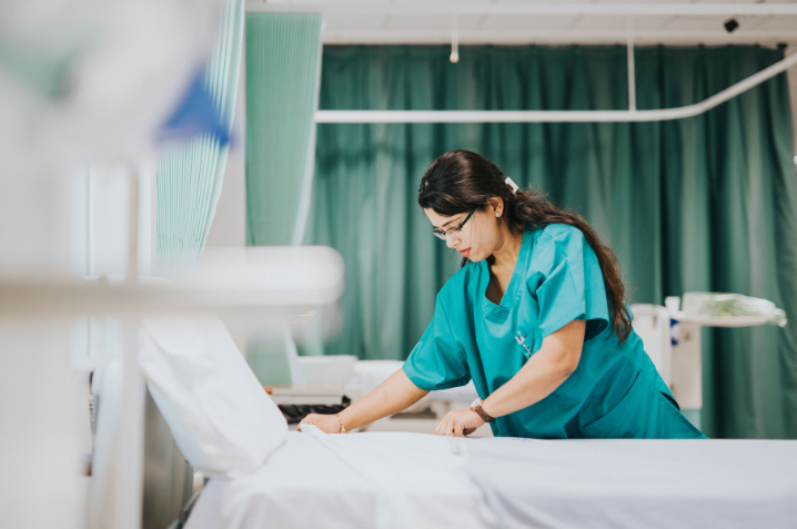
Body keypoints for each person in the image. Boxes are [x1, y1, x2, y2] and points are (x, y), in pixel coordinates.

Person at [300, 150, 704, 439]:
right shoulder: (462, 293)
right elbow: (415, 374)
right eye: (440, 232)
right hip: (550, 448)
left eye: (456, 226)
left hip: (626, 424)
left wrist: (479, 412)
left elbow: (560, 359)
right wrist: (341, 421)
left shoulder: (559, 248)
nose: (450, 241)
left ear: (494, 205)